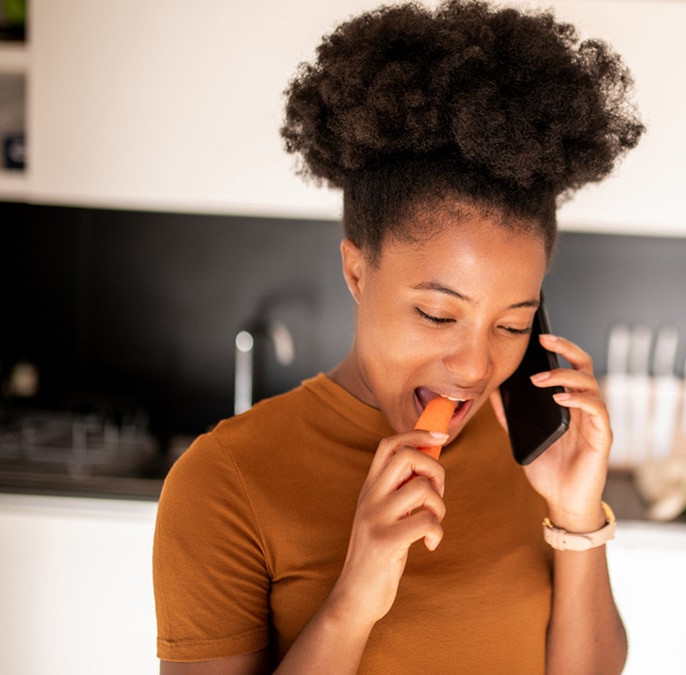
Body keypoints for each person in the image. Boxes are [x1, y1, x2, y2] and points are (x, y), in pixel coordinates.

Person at [152, 1, 643, 673]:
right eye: (439, 315)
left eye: (512, 323)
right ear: (358, 270)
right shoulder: (224, 482)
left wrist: (579, 517)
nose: (474, 366)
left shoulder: (532, 455)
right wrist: (355, 596)